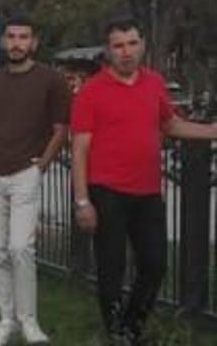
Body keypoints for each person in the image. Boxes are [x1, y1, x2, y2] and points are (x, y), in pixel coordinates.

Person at [72, 18, 217, 345]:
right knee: (112, 269)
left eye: (132, 44)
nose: (126, 52)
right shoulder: (92, 92)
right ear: (108, 51)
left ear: (142, 45)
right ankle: (116, 334)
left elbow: (171, 125)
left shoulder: (154, 83)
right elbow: (79, 148)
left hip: (148, 191)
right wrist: (83, 202)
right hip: (106, 191)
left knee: (155, 264)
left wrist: (211, 131)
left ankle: (131, 327)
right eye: (118, 46)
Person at [0, 15, 70, 346]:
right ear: (4, 42)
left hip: (25, 173)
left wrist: (42, 164)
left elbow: (61, 129)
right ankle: (5, 321)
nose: (17, 43)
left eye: (24, 37)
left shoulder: (51, 80)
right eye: (11, 37)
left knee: (21, 248)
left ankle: (29, 321)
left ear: (34, 43)